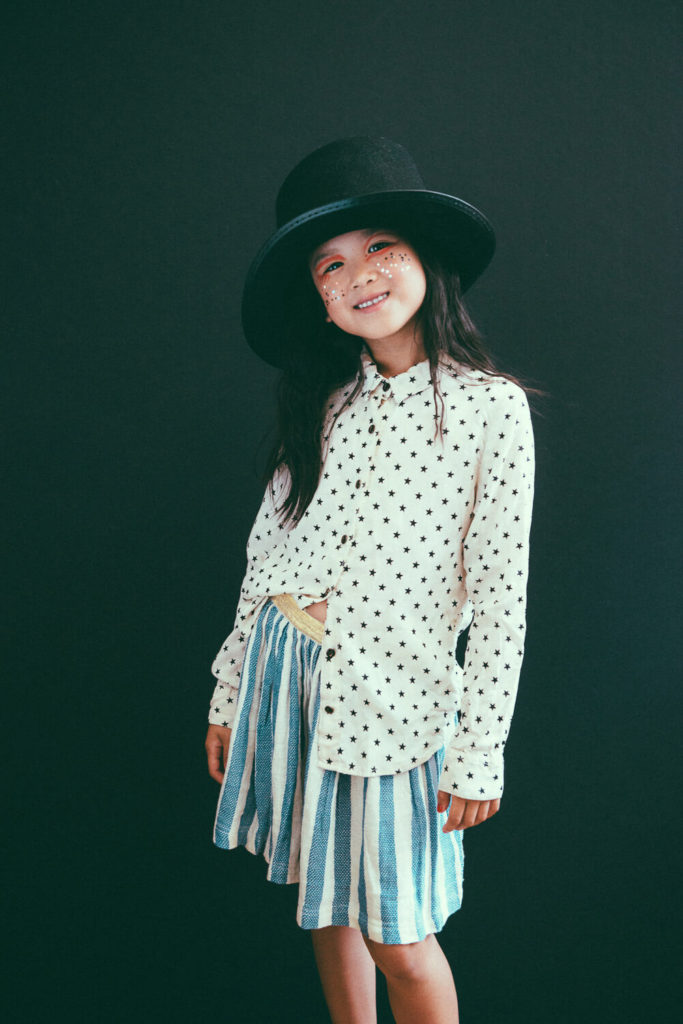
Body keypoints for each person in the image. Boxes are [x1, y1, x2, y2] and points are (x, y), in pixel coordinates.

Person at [204, 137, 539, 1024]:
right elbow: (264, 556)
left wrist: (480, 751)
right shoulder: (325, 408)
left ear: (425, 256)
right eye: (330, 263)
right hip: (290, 679)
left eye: (381, 246)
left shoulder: (488, 409)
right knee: (325, 900)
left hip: (396, 703)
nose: (359, 274)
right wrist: (229, 689)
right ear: (317, 299)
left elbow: (502, 594)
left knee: (399, 935)